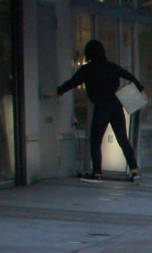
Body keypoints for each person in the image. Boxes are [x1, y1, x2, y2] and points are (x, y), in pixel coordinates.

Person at [45, 39, 144, 182]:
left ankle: (97, 173)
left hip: (101, 106)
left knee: (95, 140)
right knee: (123, 140)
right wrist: (136, 90)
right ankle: (135, 171)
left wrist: (56, 92)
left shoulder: (87, 69)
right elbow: (131, 77)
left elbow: (72, 83)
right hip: (116, 105)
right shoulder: (112, 66)